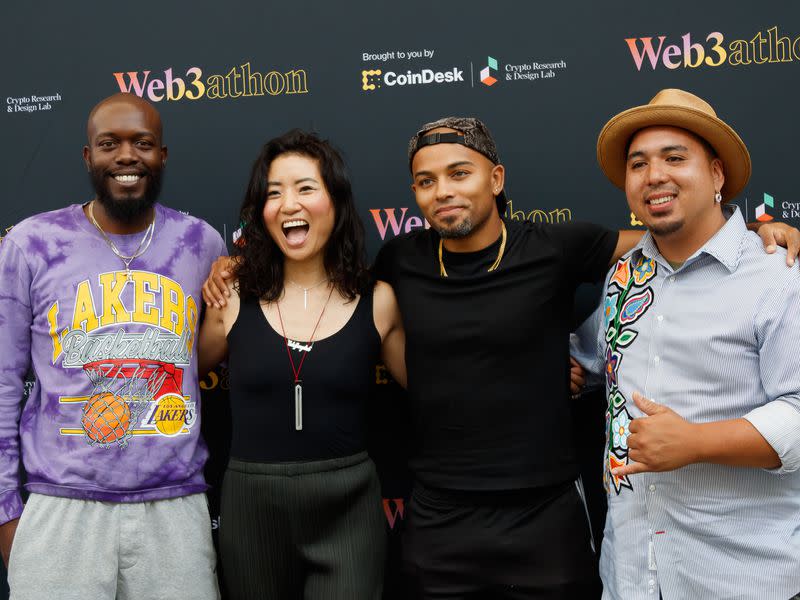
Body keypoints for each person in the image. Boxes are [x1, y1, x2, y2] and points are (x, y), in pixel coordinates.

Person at [203, 117, 799, 599]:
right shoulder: (400, 264)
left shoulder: (559, 247)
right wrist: (233, 266)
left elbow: (660, 237)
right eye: (427, 181)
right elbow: (326, 288)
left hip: (545, 512)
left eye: (460, 173)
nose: (444, 191)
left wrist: (759, 237)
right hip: (438, 514)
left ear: (496, 178)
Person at [572, 88, 800, 600]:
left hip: (739, 576)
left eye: (675, 158)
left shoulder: (778, 274)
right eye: (638, 164)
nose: (654, 175)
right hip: (630, 574)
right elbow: (591, 360)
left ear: (717, 175)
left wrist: (697, 443)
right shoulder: (622, 279)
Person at [0, 93, 223, 599]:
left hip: (175, 507)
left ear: (162, 155)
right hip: (62, 505)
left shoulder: (201, 242)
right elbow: (3, 383)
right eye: (110, 144)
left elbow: (207, 351)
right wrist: (6, 511)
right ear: (88, 156)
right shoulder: (31, 244)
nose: (127, 156)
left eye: (142, 143)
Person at [198, 129, 405, 600]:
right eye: (274, 193)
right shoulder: (229, 298)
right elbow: (173, 376)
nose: (289, 203)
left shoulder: (380, 302)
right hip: (251, 508)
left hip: (348, 504)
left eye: (305, 188)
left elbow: (439, 388)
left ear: (336, 201)